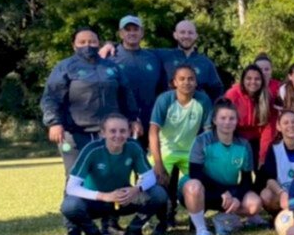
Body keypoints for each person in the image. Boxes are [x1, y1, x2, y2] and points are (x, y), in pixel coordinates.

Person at [41, 27, 141, 177]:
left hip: (108, 133)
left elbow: (126, 95)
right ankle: (73, 201)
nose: (88, 45)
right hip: (75, 133)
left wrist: (133, 119)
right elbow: (51, 97)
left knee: (108, 175)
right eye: (82, 42)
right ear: (74, 45)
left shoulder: (111, 67)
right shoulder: (65, 67)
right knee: (76, 176)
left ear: (98, 44)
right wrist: (54, 123)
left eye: (92, 41)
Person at [60, 114, 168, 235]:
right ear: (102, 133)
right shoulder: (92, 150)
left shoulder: (133, 147)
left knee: (159, 194)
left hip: (123, 199)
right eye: (112, 131)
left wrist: (136, 189)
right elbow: (71, 187)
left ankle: (134, 230)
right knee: (70, 205)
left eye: (122, 131)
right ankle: (92, 233)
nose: (118, 135)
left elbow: (149, 176)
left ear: (129, 132)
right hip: (95, 201)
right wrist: (104, 196)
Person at [181, 101, 262, 235]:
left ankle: (222, 218)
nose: (227, 122)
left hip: (228, 193)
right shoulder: (202, 140)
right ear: (214, 120)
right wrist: (221, 191)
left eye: (232, 118)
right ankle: (201, 230)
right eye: (223, 118)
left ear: (237, 121)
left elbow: (247, 179)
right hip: (204, 191)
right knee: (193, 186)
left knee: (254, 203)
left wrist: (238, 197)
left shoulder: (244, 145)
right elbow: (195, 174)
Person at [149, 64, 213, 234]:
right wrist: (158, 163)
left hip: (190, 151)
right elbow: (153, 132)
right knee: (157, 185)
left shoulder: (203, 100)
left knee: (199, 184)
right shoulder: (165, 100)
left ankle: (196, 219)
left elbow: (208, 133)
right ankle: (163, 221)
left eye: (191, 79)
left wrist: (207, 158)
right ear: (174, 82)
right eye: (182, 79)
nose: (187, 82)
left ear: (196, 82)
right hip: (166, 150)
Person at [99, 19, 223, 101]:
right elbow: (133, 48)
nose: (186, 36)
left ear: (196, 36)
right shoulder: (161, 55)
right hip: (167, 117)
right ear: (175, 35)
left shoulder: (206, 63)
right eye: (182, 32)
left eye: (190, 33)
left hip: (195, 119)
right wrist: (110, 44)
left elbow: (216, 91)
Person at [108, 16, 164, 150]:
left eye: (135, 29)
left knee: (146, 166)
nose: (131, 33)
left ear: (142, 32)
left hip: (149, 120)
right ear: (121, 33)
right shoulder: (110, 58)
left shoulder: (153, 57)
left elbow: (161, 89)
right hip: (119, 121)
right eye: (127, 30)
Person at [257, 110, 294, 214]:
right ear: (278, 127)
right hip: (283, 193)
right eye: (286, 123)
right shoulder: (274, 148)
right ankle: (278, 215)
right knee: (266, 194)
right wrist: (281, 193)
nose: (290, 125)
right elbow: (270, 179)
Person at [224, 64, 276, 167]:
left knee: (264, 165)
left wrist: (263, 156)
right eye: (249, 78)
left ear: (262, 81)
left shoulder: (267, 97)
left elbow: (268, 129)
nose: (253, 82)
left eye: (257, 79)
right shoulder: (232, 95)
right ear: (243, 80)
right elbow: (224, 124)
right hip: (235, 137)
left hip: (256, 139)